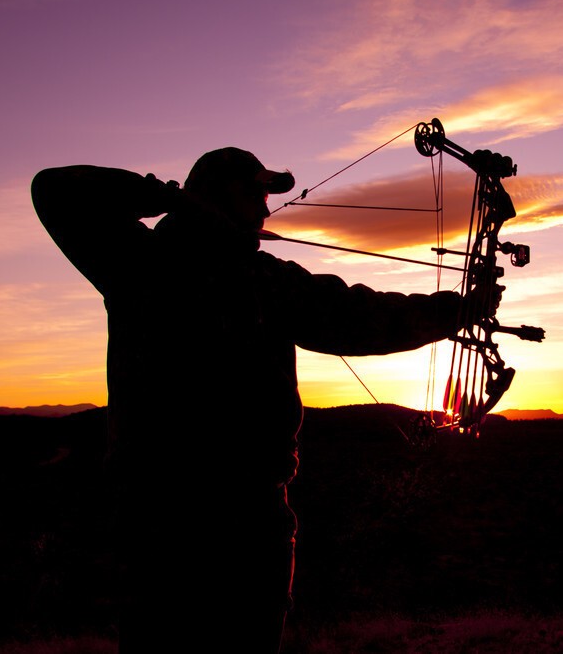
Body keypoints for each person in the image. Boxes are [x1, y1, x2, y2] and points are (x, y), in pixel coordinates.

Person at [31, 148, 475, 652]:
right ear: (217, 196)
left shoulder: (264, 278)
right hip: (161, 514)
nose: (266, 210)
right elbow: (55, 189)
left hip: (251, 514)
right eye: (256, 194)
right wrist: (167, 198)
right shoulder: (142, 262)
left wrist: (455, 311)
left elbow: (356, 316)